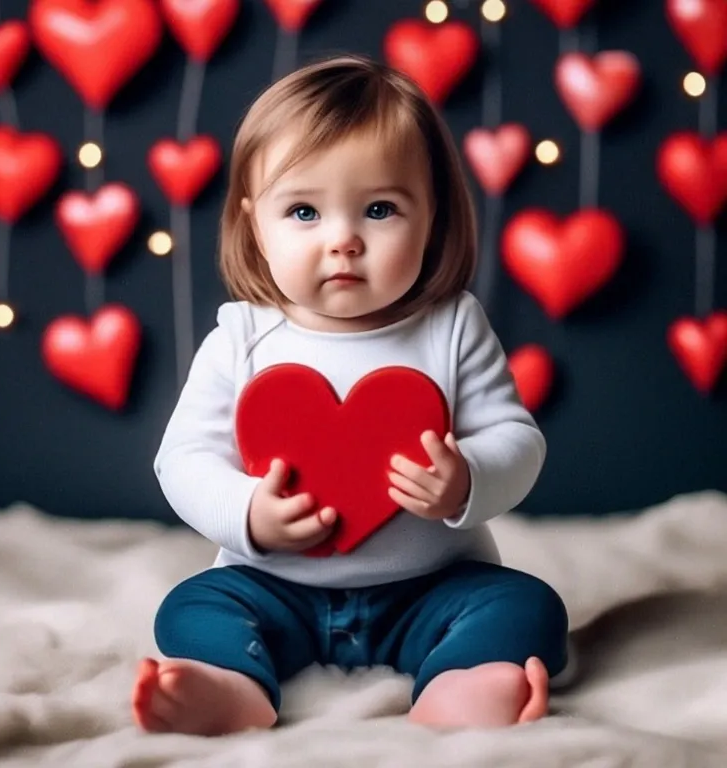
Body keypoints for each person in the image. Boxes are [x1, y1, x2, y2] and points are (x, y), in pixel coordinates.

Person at [132, 54, 569, 736]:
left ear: (432, 218)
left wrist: (466, 481)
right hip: (273, 589)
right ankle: (232, 683)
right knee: (191, 608)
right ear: (255, 225)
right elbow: (183, 458)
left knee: (528, 606)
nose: (344, 240)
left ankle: (458, 682)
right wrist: (249, 513)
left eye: (380, 209)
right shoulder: (243, 335)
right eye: (304, 210)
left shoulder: (451, 327)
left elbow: (517, 440)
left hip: (431, 587)